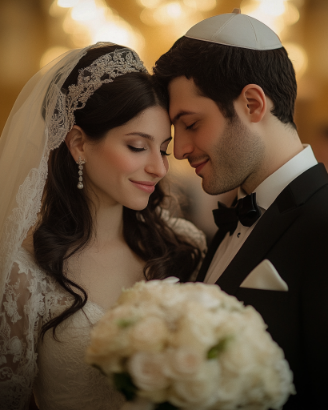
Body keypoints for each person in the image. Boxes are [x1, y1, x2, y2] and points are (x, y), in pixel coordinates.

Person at [0, 42, 205, 410]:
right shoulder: (24, 272)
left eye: (163, 149)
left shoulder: (184, 244)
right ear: (79, 144)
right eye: (137, 146)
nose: (159, 168)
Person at [153, 9, 328, 410]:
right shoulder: (231, 219)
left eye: (192, 124)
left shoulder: (324, 223)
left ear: (252, 103)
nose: (178, 150)